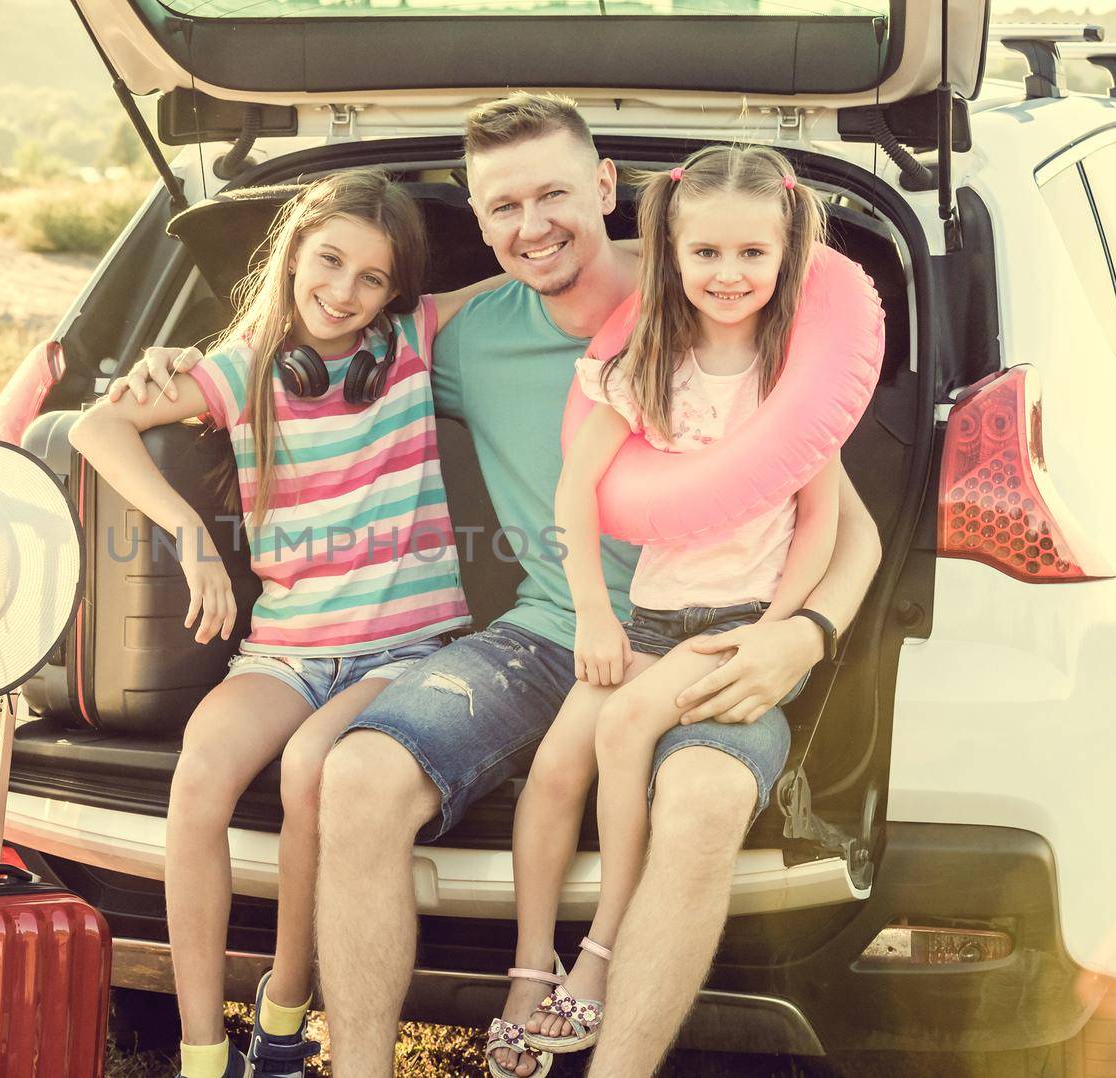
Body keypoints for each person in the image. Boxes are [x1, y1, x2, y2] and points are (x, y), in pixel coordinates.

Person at [111, 93, 882, 1078]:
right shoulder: (466, 341)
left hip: (715, 636)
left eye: (555, 193)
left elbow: (844, 520)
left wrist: (801, 636)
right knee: (355, 771)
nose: (533, 225)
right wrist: (176, 364)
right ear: (477, 223)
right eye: (503, 207)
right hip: (546, 633)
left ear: (606, 188)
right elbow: (309, 352)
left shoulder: (714, 303)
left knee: (699, 798)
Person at [69, 169, 495, 1078]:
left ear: (396, 292)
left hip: (405, 650)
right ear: (294, 250)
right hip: (288, 652)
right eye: (329, 260)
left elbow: (536, 275)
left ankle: (286, 1013)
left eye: (372, 278)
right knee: (200, 778)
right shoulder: (241, 369)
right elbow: (94, 431)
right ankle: (201, 1051)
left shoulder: (414, 342)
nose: (343, 292)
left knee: (311, 773)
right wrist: (189, 533)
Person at [492, 145, 841, 1076]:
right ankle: (532, 968)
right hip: (647, 617)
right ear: (672, 255)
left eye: (751, 256)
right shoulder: (651, 360)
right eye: (707, 256)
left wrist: (779, 628)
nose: (729, 277)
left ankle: (602, 952)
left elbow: (825, 522)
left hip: (736, 620)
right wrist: (594, 615)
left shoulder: (794, 376)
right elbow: (578, 488)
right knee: (557, 766)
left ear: (787, 252)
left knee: (625, 732)